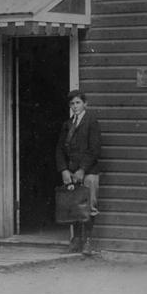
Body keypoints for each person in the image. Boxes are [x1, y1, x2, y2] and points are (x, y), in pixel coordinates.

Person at [55, 88, 102, 254]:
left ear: (85, 104)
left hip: (88, 171)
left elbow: (94, 149)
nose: (75, 106)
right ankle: (76, 240)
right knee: (73, 204)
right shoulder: (67, 125)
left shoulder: (91, 122)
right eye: (72, 103)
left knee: (89, 205)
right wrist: (64, 170)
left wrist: (82, 169)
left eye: (78, 103)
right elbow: (59, 149)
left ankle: (88, 241)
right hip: (72, 172)